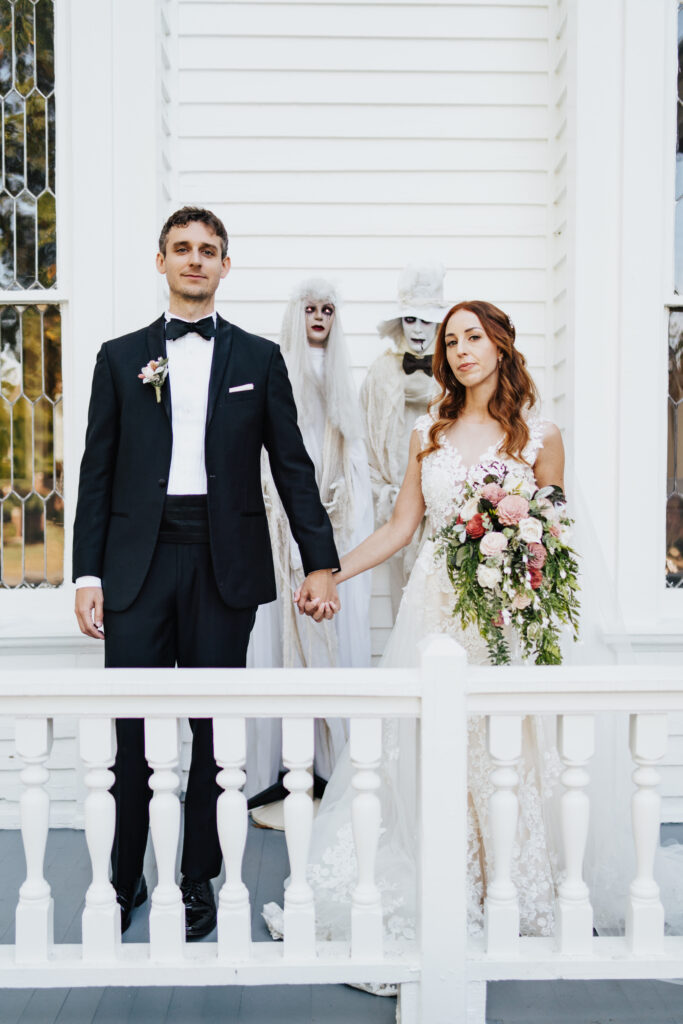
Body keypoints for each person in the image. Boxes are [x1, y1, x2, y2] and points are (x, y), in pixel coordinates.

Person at [72, 206, 340, 940]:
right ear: (160, 262)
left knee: (211, 731)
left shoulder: (257, 359)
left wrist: (320, 562)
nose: (195, 260)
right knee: (130, 731)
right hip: (135, 567)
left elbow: (292, 466)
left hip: (225, 564)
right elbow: (96, 471)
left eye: (209, 250)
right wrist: (85, 574)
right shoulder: (119, 356)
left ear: (226, 266)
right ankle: (122, 879)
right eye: (182, 249)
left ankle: (195, 881)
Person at [285, 300, 567, 946]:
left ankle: (509, 881)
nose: (461, 349)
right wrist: (329, 571)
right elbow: (398, 529)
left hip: (505, 616)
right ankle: (448, 879)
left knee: (501, 746)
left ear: (500, 344)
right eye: (451, 341)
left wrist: (518, 567)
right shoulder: (426, 434)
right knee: (429, 742)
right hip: (435, 611)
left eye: (473, 337)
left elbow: (553, 533)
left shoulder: (539, 434)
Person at [246, 280, 373, 809]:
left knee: (331, 632)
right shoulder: (279, 369)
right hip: (282, 517)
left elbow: (352, 450)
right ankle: (277, 767)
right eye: (310, 308)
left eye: (328, 310)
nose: (318, 317)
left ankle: (330, 766)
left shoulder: (345, 378)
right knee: (278, 635)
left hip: (334, 518)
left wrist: (340, 503)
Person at [360, 262, 447, 615]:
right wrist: (384, 492)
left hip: (444, 493)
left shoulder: (454, 370)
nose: (418, 329)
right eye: (411, 319)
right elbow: (366, 436)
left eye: (427, 320)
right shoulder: (380, 371)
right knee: (405, 603)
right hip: (397, 496)